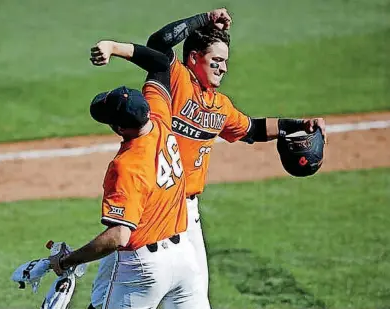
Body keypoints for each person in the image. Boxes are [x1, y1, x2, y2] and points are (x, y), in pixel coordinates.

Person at [88, 8, 328, 306]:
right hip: (150, 208)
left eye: (226, 62)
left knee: (193, 298)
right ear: (193, 59)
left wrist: (297, 125)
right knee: (109, 297)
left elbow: (251, 129)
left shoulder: (220, 106)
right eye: (216, 61)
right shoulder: (176, 82)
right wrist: (204, 19)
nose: (224, 68)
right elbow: (159, 43)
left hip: (187, 215)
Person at [49, 42, 210, 309]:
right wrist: (115, 47)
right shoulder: (160, 118)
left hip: (145, 269)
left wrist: (68, 261)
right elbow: (159, 63)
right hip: (184, 260)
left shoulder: (126, 165)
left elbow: (119, 236)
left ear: (119, 128)